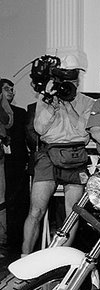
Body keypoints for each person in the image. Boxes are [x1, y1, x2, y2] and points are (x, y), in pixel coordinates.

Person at [21, 55, 95, 256]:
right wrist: (52, 106)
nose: (68, 85)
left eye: (72, 80)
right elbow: (40, 129)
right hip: (49, 154)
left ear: (78, 81)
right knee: (36, 211)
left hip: (76, 154)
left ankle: (59, 260)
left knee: (73, 214)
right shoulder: (46, 97)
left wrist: (69, 107)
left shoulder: (88, 102)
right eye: (65, 80)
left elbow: (84, 136)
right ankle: (24, 258)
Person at [0, 79, 29, 254]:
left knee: (16, 202)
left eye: (12, 89)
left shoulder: (19, 113)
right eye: (6, 89)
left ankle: (13, 241)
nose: (11, 92)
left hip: (16, 164)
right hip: (3, 162)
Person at [0, 82, 13, 258]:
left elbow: (7, 121)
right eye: (6, 89)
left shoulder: (4, 105)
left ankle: (1, 241)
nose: (11, 92)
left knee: (1, 200)